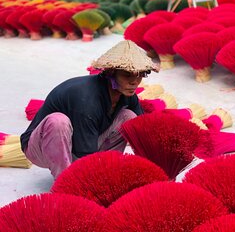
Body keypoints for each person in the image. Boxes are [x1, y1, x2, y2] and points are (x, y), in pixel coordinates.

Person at [20, 40, 159, 178]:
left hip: (78, 144)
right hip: (40, 147)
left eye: (139, 74)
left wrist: (155, 167)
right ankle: (65, 182)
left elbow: (142, 131)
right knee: (58, 121)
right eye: (127, 75)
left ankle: (110, 170)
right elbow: (86, 156)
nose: (134, 82)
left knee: (129, 117)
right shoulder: (87, 99)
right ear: (111, 72)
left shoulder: (127, 94)